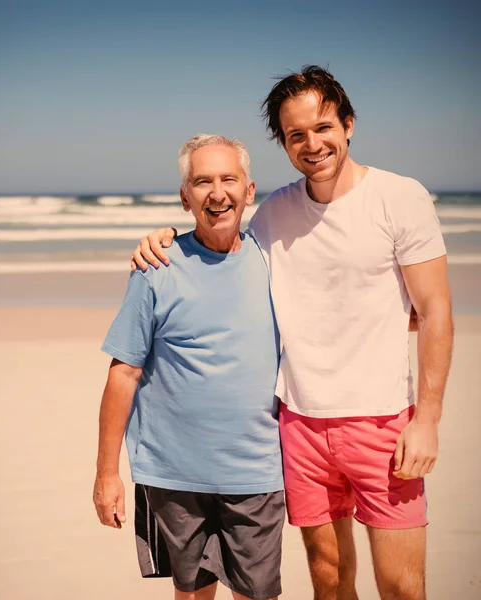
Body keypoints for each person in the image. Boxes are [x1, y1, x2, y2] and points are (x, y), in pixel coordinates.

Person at [131, 66, 453, 600]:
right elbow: (220, 240)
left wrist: (429, 419)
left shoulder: (401, 198)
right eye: (295, 134)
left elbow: (435, 310)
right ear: (284, 143)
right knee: (328, 579)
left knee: (401, 586)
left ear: (348, 124)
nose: (313, 143)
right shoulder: (274, 214)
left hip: (384, 422)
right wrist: (165, 238)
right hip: (298, 425)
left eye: (323, 126)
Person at [93, 134, 285, 600]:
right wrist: (106, 473)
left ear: (249, 190)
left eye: (228, 179)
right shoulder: (156, 267)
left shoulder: (277, 261)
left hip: (256, 472)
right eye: (202, 182)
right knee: (193, 593)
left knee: (258, 595)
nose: (217, 193)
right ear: (185, 197)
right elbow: (124, 372)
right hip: (172, 473)